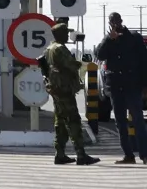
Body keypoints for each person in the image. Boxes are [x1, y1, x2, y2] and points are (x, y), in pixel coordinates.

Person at [41, 24, 99, 166]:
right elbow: (71, 65)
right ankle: (81, 154)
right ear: (60, 34)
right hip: (64, 90)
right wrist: (79, 63)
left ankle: (60, 154)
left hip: (55, 89)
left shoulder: (49, 49)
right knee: (73, 121)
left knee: (60, 122)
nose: (67, 36)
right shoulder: (60, 48)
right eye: (65, 33)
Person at [95, 12, 147, 164]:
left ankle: (144, 154)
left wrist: (145, 85)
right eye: (112, 22)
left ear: (121, 21)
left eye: (116, 21)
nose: (115, 24)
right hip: (115, 86)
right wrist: (109, 39)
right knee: (120, 122)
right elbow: (99, 55)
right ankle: (128, 155)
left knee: (138, 120)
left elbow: (144, 62)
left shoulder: (134, 38)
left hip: (132, 85)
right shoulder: (108, 39)